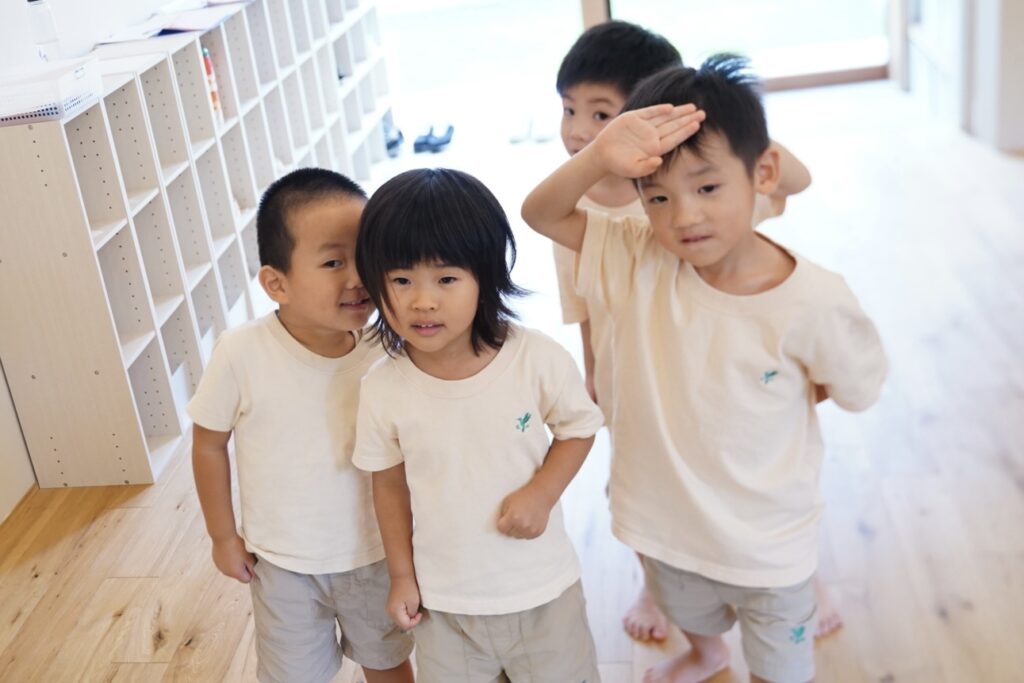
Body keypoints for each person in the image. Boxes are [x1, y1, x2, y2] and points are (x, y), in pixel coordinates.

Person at [522, 56, 887, 682]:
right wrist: (599, 154)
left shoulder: (815, 299)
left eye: (708, 188)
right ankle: (706, 653)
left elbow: (855, 387)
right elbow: (541, 213)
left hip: (772, 545)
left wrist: (768, 393)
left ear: (762, 175)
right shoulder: (636, 255)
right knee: (690, 613)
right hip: (665, 528)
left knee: (782, 670)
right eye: (659, 198)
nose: (683, 216)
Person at [553, 21, 820, 643]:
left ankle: (798, 580)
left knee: (751, 481)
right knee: (643, 492)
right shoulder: (580, 211)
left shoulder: (701, 189)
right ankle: (657, 581)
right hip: (634, 378)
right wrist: (593, 375)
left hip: (724, 373)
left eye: (601, 114)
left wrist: (711, 113)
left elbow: (797, 179)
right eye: (569, 109)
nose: (579, 131)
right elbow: (581, 302)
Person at [352, 168, 605, 682]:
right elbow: (388, 486)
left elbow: (579, 428)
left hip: (543, 593)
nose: (423, 301)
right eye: (401, 280)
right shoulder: (382, 386)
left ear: (485, 277)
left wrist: (542, 493)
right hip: (445, 606)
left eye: (446, 279)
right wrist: (401, 576)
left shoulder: (535, 358)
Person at [188, 168, 414, 683]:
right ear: (277, 283)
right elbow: (208, 444)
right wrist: (222, 536)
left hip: (375, 552)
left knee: (387, 661)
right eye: (333, 262)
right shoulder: (242, 353)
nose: (357, 277)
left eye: (364, 256)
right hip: (283, 563)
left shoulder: (388, 349)